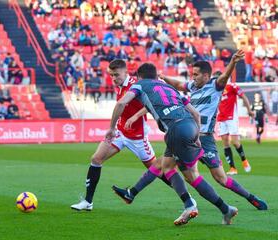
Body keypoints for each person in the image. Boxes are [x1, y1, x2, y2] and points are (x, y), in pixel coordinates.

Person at [113, 51, 268, 214]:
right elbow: (179, 86)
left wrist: (233, 63)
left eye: (196, 75)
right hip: (187, 133)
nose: (192, 78)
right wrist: (164, 77)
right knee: (164, 165)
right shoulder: (193, 87)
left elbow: (224, 77)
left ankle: (248, 198)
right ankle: (134, 194)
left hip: (204, 137)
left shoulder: (216, 85)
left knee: (219, 177)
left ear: (207, 76)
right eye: (192, 74)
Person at [108, 63, 238, 225]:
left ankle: (222, 208)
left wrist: (112, 128)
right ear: (156, 76)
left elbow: (121, 103)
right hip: (190, 126)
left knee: (189, 175)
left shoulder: (139, 84)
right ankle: (132, 193)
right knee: (162, 164)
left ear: (140, 77)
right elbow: (196, 114)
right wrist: (196, 136)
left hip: (175, 130)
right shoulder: (167, 87)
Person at [70, 59, 174, 212]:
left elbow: (151, 103)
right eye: (111, 75)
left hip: (137, 137)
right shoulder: (119, 86)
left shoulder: (136, 85)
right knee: (96, 159)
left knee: (156, 170)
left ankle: (187, 197)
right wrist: (115, 127)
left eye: (116, 75)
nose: (113, 78)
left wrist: (135, 116)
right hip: (120, 132)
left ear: (126, 72)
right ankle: (88, 202)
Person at [216, 72, 255, 175]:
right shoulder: (216, 89)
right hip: (221, 118)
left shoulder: (232, 86)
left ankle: (244, 160)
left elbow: (244, 97)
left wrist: (249, 110)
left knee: (235, 142)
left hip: (231, 117)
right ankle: (233, 168)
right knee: (225, 143)